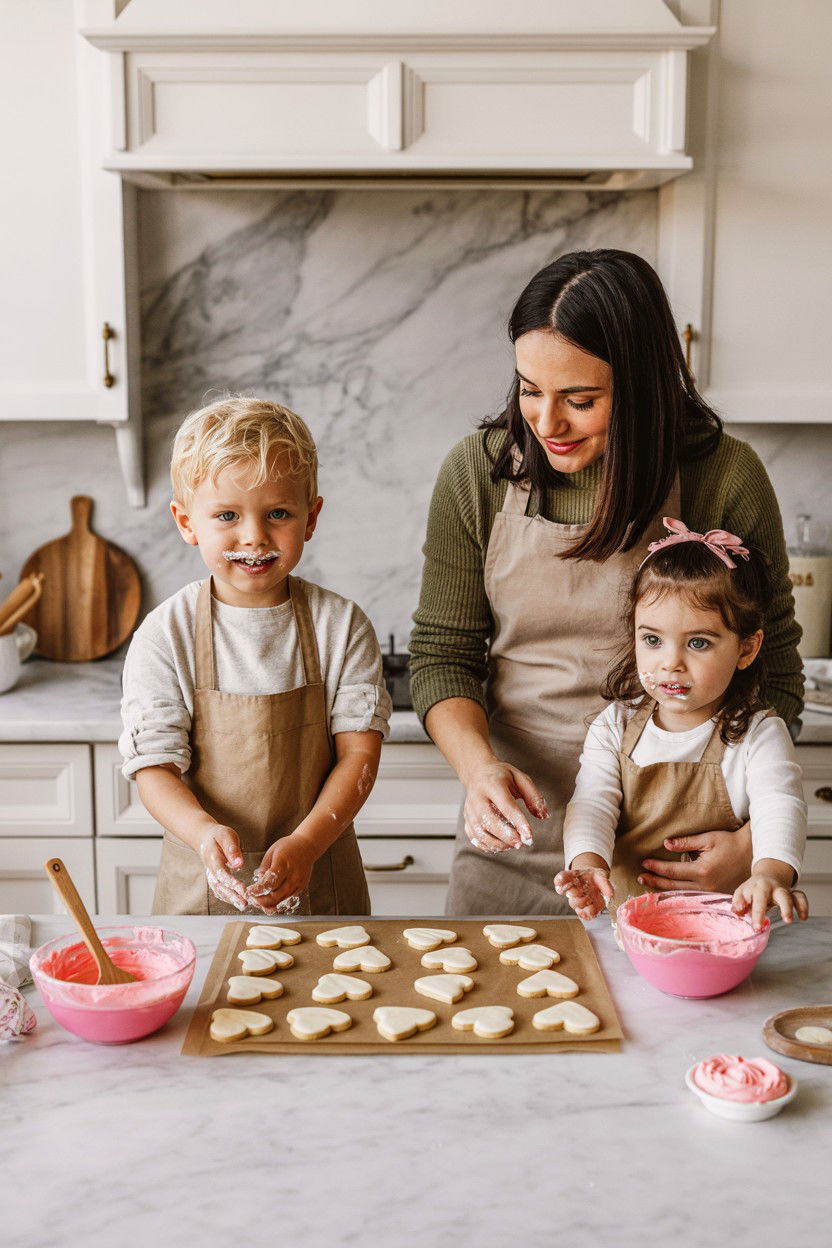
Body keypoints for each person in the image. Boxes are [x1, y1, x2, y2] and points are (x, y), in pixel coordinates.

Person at [409, 249, 803, 916]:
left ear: (643, 386)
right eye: (530, 390)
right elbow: (442, 654)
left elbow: (779, 667)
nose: (547, 423)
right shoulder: (478, 473)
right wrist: (479, 771)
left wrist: (753, 841)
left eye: (581, 400)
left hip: (675, 856)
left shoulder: (722, 475)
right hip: (517, 831)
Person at [119, 396, 391, 915]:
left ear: (310, 518)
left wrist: (308, 844)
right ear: (186, 521)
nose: (254, 536)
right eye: (226, 514)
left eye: (278, 513)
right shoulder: (165, 633)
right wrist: (203, 833)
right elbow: (154, 768)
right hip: (202, 892)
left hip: (321, 885)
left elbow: (359, 757)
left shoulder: (341, 626)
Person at [554, 519, 808, 930]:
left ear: (746, 648)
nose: (670, 662)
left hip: (727, 932)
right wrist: (587, 863)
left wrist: (770, 875)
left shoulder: (758, 734)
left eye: (698, 643)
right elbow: (592, 804)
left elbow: (779, 806)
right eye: (652, 639)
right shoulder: (614, 726)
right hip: (627, 932)